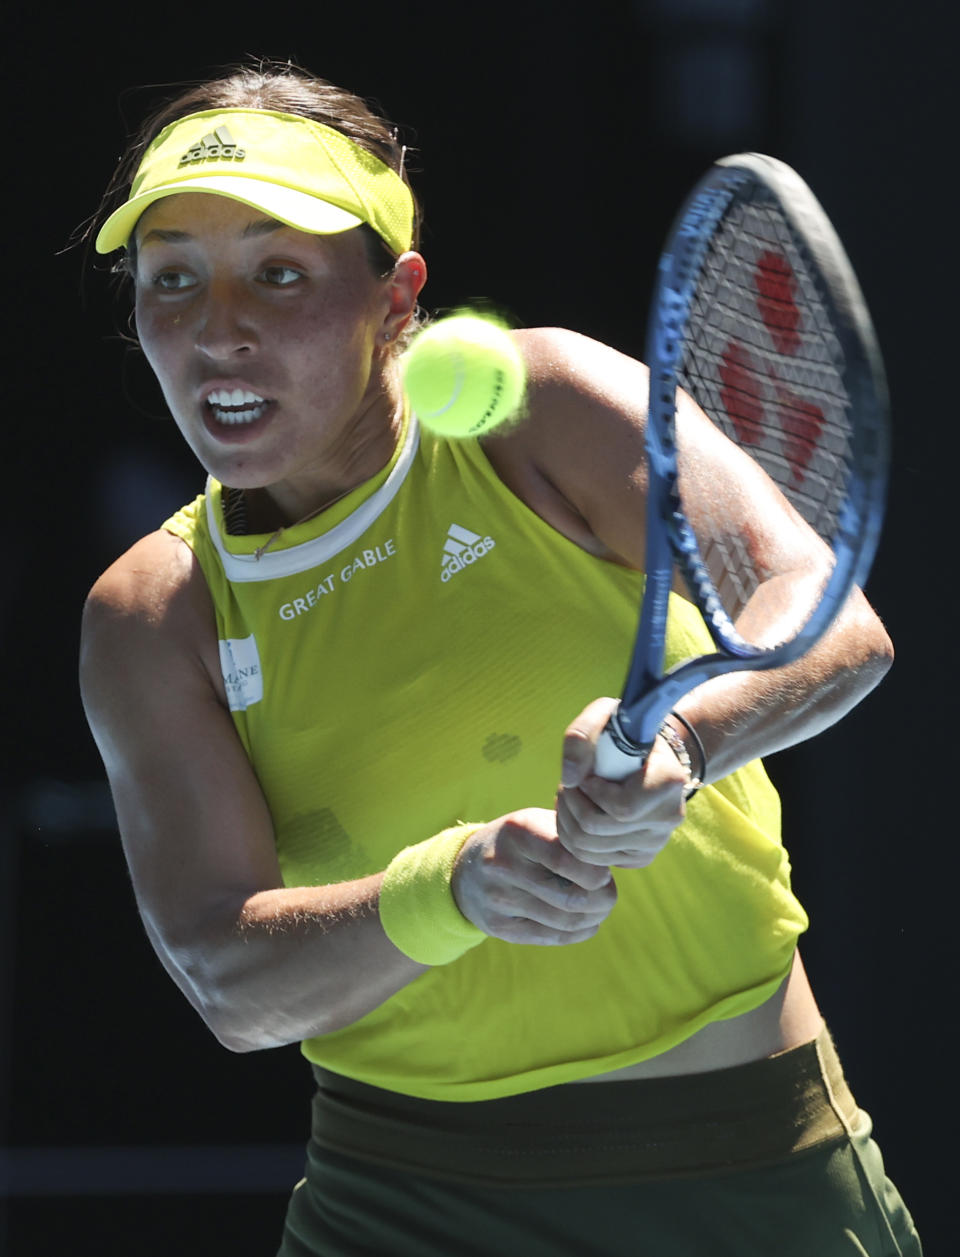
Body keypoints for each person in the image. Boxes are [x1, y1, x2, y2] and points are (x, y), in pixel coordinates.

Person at [79, 60, 921, 1256]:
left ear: (395, 298)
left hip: (746, 1171)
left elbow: (834, 620)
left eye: (279, 274)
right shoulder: (151, 614)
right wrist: (456, 889)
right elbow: (230, 978)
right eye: (176, 282)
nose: (221, 333)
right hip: (399, 1203)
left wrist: (687, 736)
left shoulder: (543, 405)